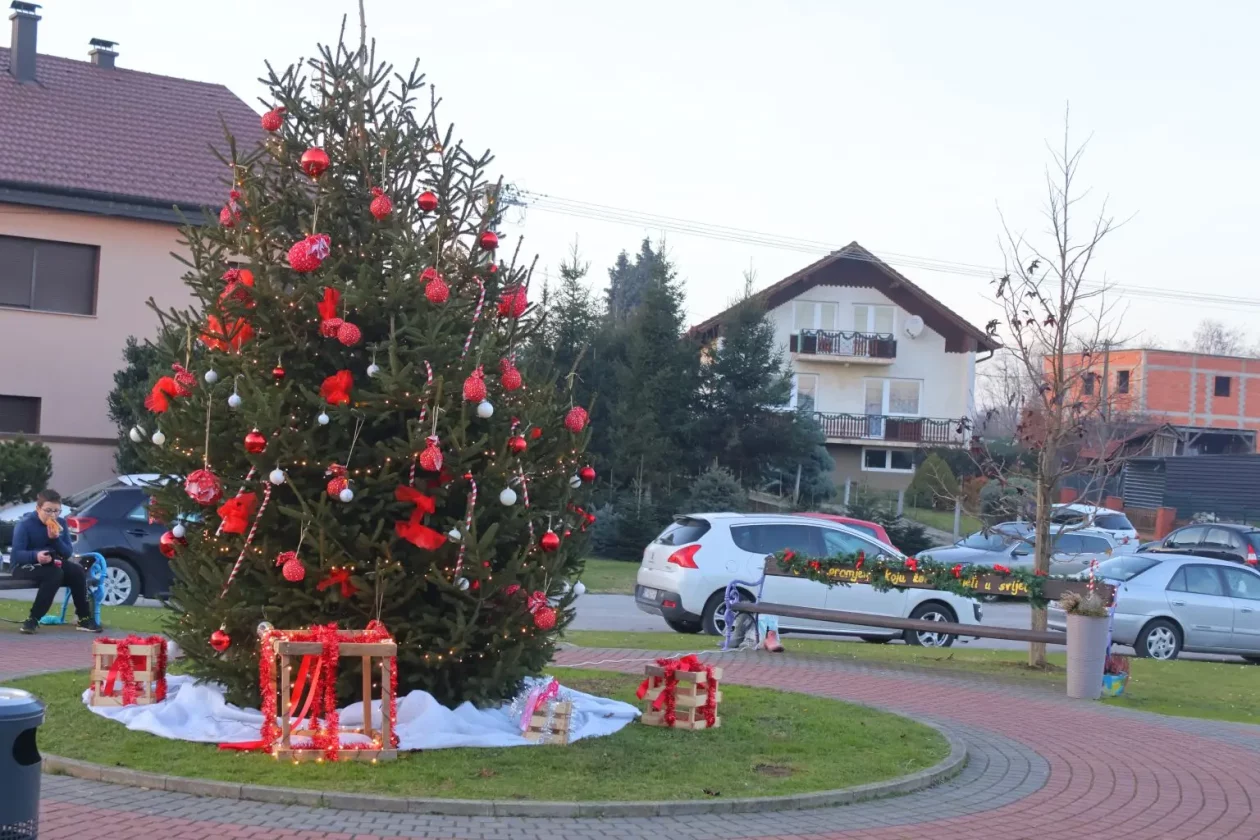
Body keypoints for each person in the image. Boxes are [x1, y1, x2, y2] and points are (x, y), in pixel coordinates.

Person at [11, 489, 100, 634]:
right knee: (54, 574)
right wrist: (36, 556)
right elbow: (16, 555)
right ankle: (33, 619)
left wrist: (55, 539)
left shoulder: (60, 523)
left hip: (51, 563)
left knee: (77, 571)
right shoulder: (25, 524)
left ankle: (84, 618)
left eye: (56, 511)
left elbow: (67, 552)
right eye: (48, 511)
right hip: (25, 565)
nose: (52, 515)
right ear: (38, 509)